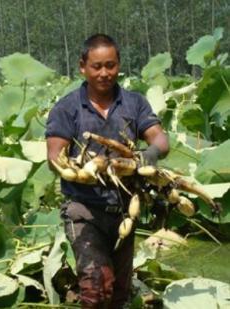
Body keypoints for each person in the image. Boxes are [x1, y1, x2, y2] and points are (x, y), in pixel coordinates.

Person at [45, 34, 169, 308]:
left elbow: (159, 137)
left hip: (125, 210)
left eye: (110, 66)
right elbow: (54, 155)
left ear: (119, 65)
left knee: (119, 293)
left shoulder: (134, 103)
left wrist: (151, 153)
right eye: (97, 66)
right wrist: (77, 170)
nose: (104, 73)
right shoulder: (67, 108)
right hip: (84, 211)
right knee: (96, 289)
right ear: (82, 67)